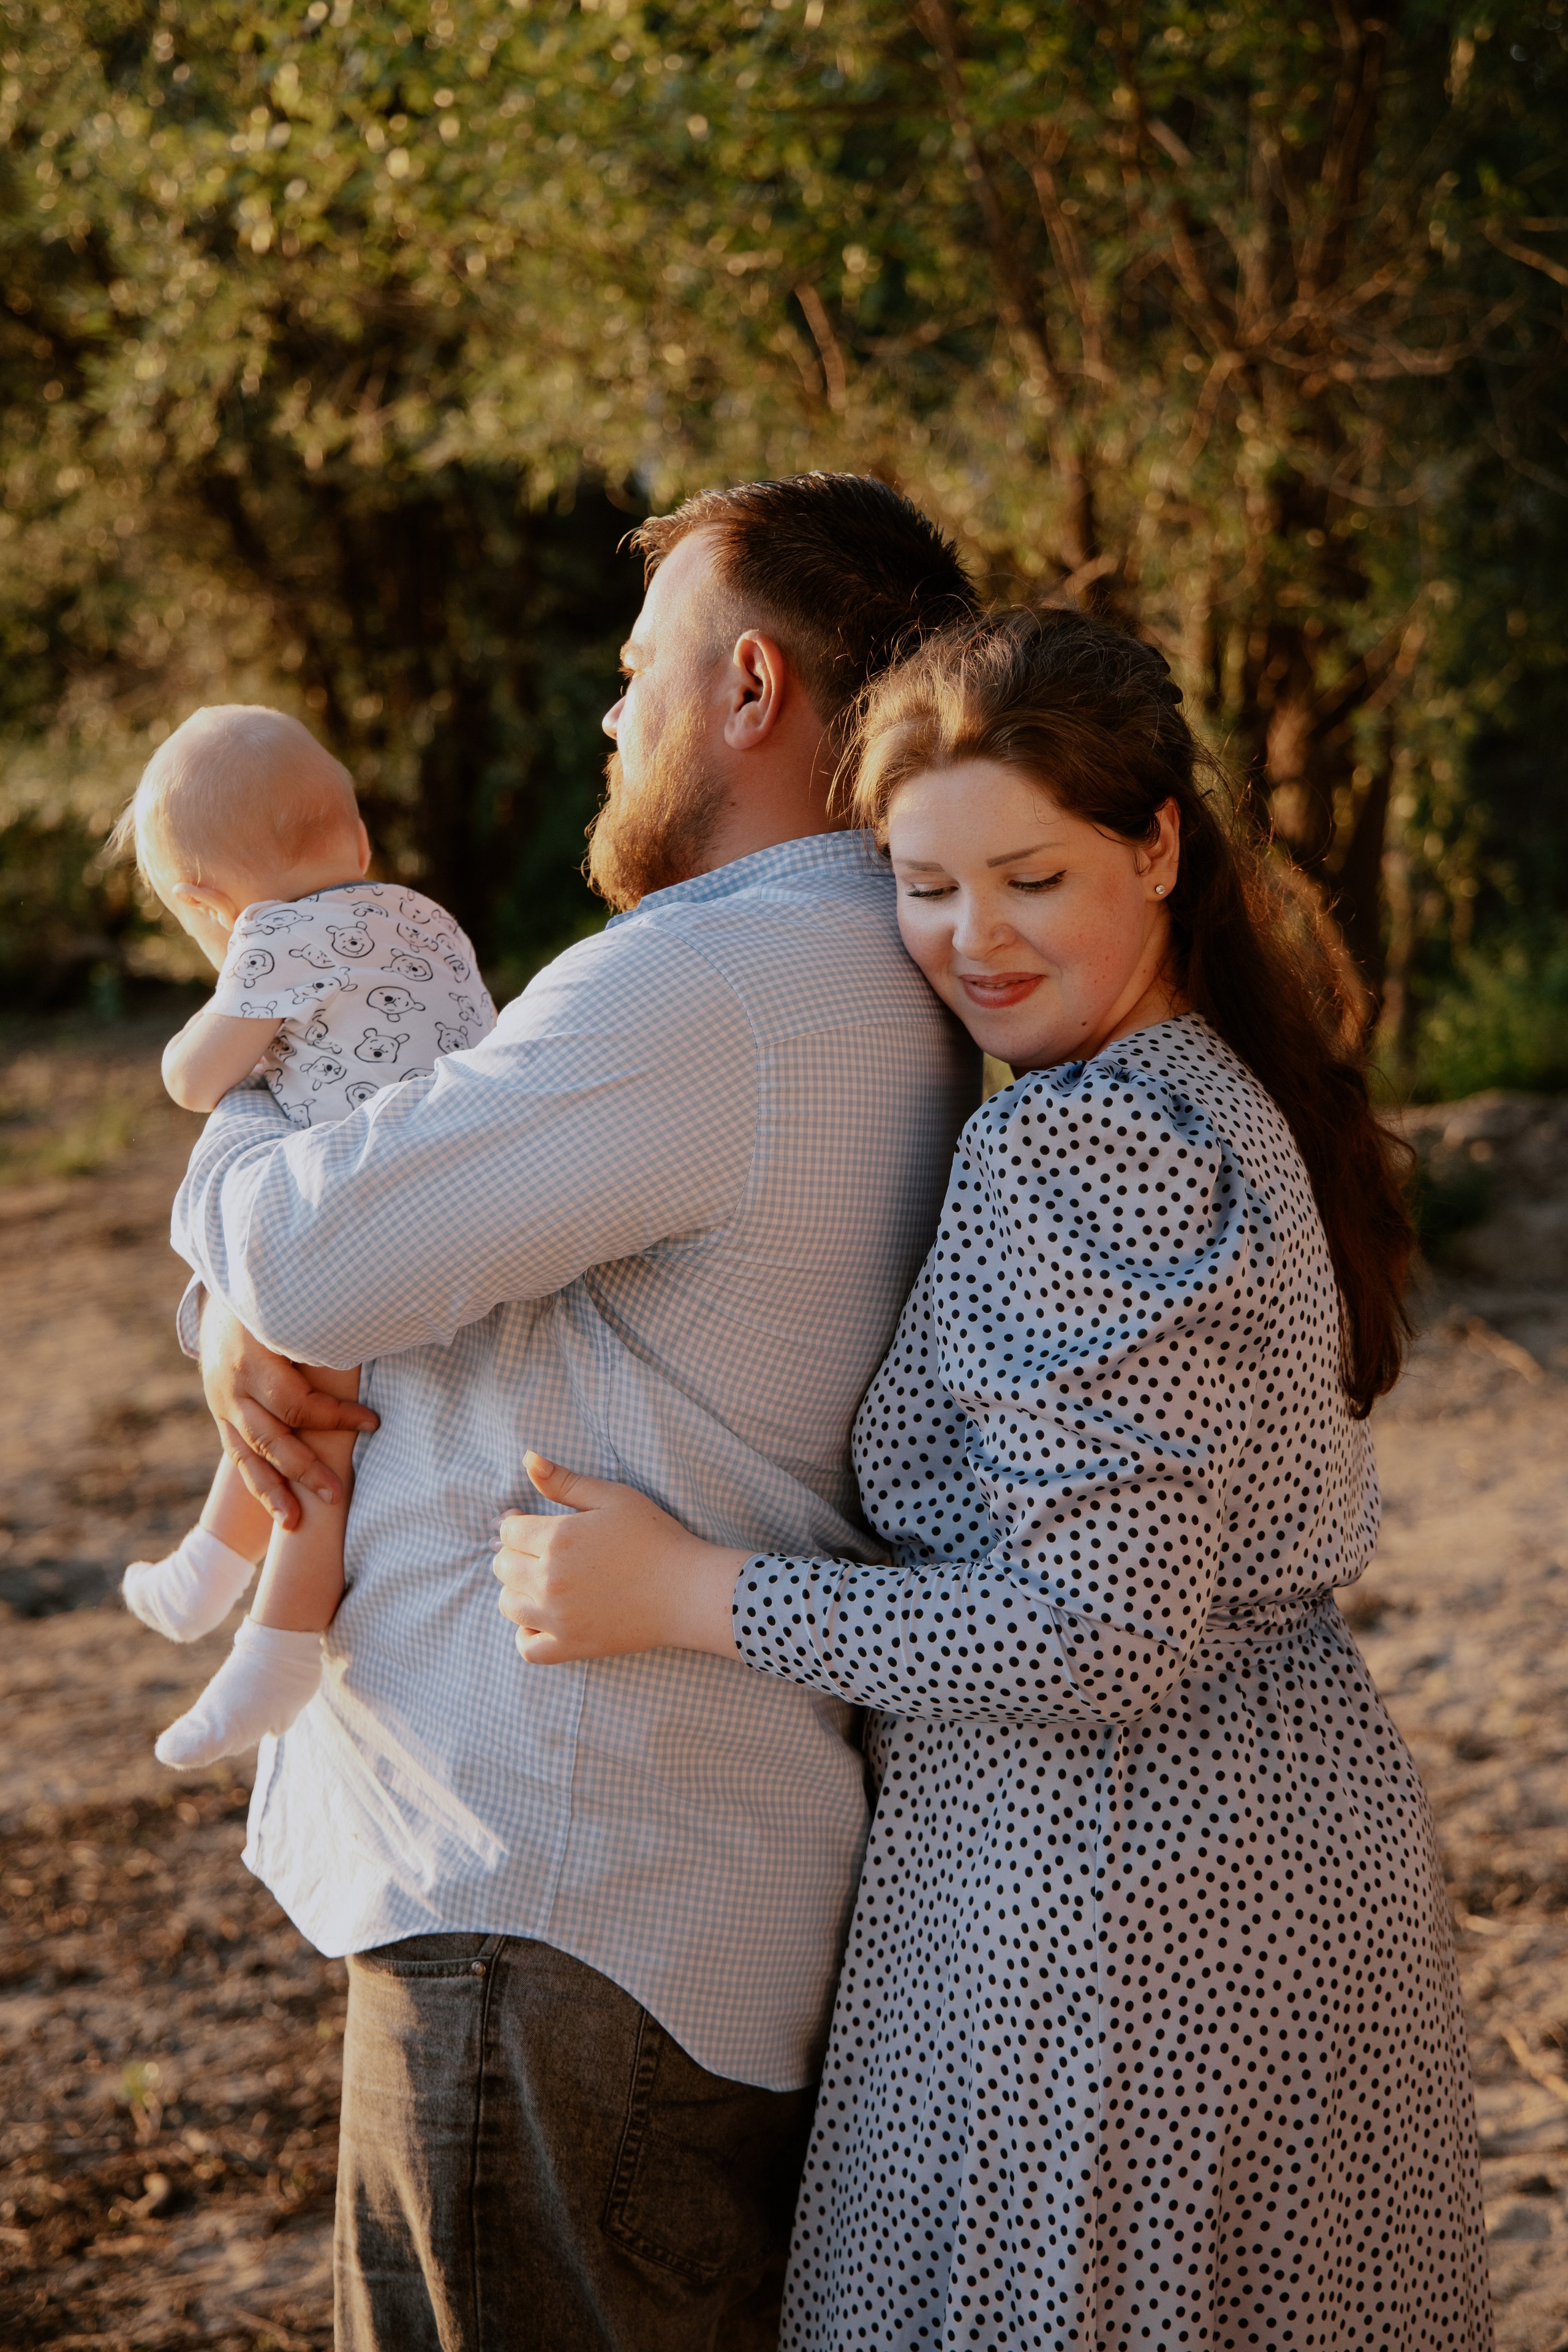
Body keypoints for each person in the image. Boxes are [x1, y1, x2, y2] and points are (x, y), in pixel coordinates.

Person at [491, 609, 1492, 2352]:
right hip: (1288, 1844)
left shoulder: (1075, 1140)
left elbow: (1099, 1634)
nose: (973, 942)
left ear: (1158, 842)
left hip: (1110, 1902)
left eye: (1030, 877)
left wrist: (688, 1593)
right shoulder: (1213, 1085)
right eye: (925, 884)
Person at [170, 475, 981, 2350]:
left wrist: (226, 1147)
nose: (609, 715)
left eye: (640, 669)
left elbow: (314, 1250)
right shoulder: (888, 971)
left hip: (549, 1902)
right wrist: (252, 1311)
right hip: (657, 1894)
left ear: (752, 685)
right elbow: (357, 1260)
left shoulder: (720, 987)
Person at [113, 705, 497, 1767]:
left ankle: (274, 1648)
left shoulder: (273, 937)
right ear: (360, 841)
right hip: (458, 1186)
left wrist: (212, 1016)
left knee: (316, 1428)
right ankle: (205, 1564)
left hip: (363, 1214)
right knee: (285, 1390)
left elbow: (195, 1080)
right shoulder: (422, 918)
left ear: (203, 903)